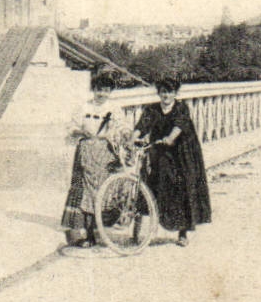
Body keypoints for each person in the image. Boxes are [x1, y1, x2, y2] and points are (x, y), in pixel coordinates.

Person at [134, 77, 211, 246]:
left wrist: (170, 137)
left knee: (181, 187)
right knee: (147, 181)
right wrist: (134, 137)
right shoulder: (152, 109)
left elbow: (179, 125)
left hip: (182, 153)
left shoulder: (181, 108)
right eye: (163, 92)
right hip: (161, 151)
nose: (166, 95)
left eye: (169, 92)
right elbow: (142, 125)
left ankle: (182, 233)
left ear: (175, 93)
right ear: (159, 93)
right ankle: (137, 229)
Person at [60, 77, 123, 246]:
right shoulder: (84, 107)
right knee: (85, 192)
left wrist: (114, 134)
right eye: (99, 89)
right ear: (93, 89)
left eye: (106, 90)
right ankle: (87, 233)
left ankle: (101, 228)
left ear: (110, 92)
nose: (102, 93)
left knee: (104, 191)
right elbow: (71, 127)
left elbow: (120, 129)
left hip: (105, 153)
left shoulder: (115, 109)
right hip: (86, 152)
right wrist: (81, 130)